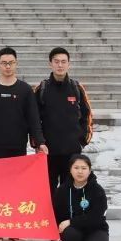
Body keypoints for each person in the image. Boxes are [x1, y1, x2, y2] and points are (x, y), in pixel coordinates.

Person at [36, 47, 94, 194]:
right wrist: (38, 143)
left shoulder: (77, 88)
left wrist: (82, 140)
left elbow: (87, 116)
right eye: (56, 62)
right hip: (48, 152)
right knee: (47, 191)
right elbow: (34, 119)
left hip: (72, 152)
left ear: (69, 64)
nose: (60, 65)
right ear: (50, 64)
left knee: (69, 192)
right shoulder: (42, 89)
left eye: (63, 61)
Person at [0, 47, 46, 160]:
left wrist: (40, 142)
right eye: (4, 63)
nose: (8, 66)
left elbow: (33, 119)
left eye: (11, 63)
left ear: (16, 64)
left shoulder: (25, 89)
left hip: (18, 146)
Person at [54, 154, 108, 241]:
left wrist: (71, 222)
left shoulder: (97, 190)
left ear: (89, 170)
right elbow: (56, 214)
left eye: (84, 168)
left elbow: (96, 217)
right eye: (76, 168)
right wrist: (55, 233)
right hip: (73, 231)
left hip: (95, 229)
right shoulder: (62, 190)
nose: (80, 171)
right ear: (70, 170)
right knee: (69, 233)